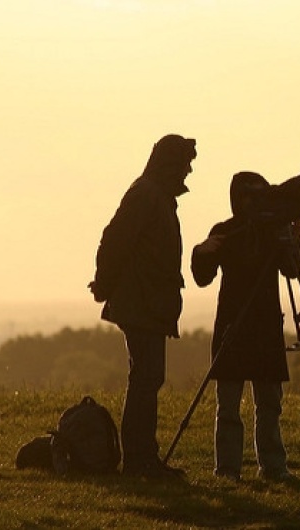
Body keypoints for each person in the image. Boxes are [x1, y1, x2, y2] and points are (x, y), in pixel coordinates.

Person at [89, 134, 197, 479]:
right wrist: (104, 284)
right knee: (146, 379)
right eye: (185, 163)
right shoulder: (147, 195)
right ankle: (140, 460)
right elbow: (115, 238)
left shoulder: (153, 194)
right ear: (170, 164)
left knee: (147, 378)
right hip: (142, 303)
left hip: (147, 302)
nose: (189, 171)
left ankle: (143, 458)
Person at [191, 171, 300, 483]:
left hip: (263, 325)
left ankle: (273, 468)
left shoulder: (271, 231)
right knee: (228, 406)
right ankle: (229, 470)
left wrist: (293, 240)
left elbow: (292, 270)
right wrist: (203, 252)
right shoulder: (227, 232)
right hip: (234, 326)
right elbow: (203, 276)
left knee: (269, 404)